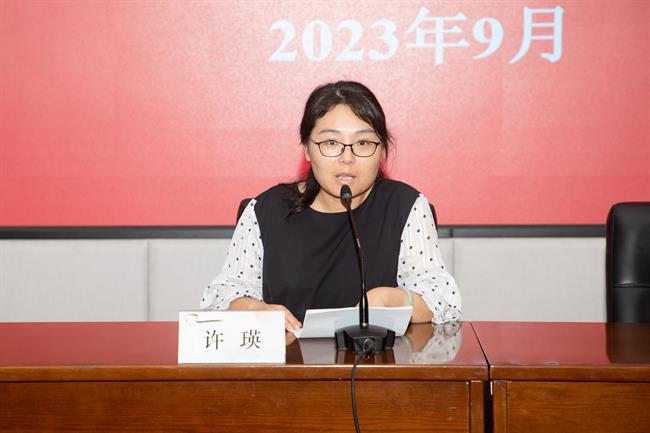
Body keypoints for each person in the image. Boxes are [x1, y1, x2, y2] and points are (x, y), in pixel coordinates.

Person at [201, 81, 461, 332]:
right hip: (289, 358)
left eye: (363, 143)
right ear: (307, 148)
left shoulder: (405, 205)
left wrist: (392, 300)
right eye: (331, 143)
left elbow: (442, 299)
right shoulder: (266, 211)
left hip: (378, 359)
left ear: (381, 150)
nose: (347, 158)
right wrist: (253, 309)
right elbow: (221, 295)